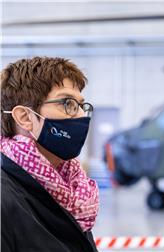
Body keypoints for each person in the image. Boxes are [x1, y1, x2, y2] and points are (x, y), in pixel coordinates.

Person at [1, 57, 99, 252]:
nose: (81, 115)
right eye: (67, 103)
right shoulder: (4, 200)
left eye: (81, 105)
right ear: (25, 117)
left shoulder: (69, 189)